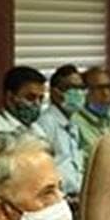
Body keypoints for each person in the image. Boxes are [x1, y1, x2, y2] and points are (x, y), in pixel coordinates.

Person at [35, 64, 88, 197]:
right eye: (71, 88)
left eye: (81, 88)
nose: (79, 93)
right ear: (55, 92)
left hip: (76, 198)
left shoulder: (73, 124)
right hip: (58, 198)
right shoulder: (45, 123)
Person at [0, 66, 50, 142]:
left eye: (40, 98)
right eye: (30, 98)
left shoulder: (37, 130)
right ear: (10, 98)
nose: (37, 104)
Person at [72, 66, 110, 159]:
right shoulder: (74, 121)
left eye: (109, 87)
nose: (106, 93)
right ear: (85, 91)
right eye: (100, 88)